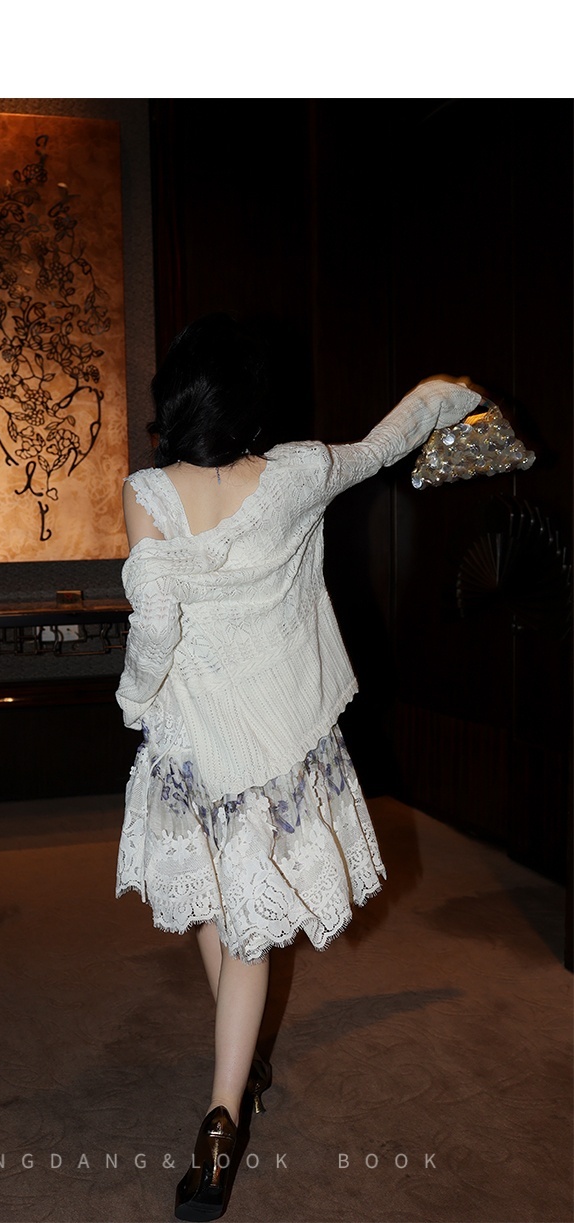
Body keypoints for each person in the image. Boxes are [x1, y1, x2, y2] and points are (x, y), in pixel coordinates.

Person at [114, 313, 481, 1221]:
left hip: (191, 744)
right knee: (244, 930)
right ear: (249, 408)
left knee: (220, 911)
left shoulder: (147, 492)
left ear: (175, 400)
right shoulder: (297, 472)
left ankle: (225, 1105)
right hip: (275, 743)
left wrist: (133, 697)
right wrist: (444, 395)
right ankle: (231, 1089)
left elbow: (153, 625)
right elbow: (386, 443)